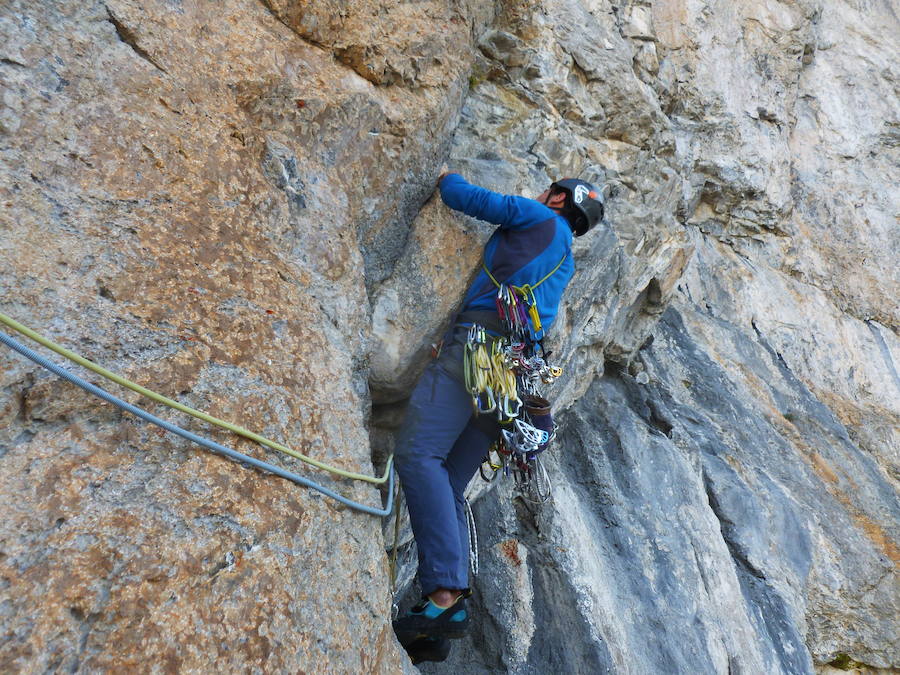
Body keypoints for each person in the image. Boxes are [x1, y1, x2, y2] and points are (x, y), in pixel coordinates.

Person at [391, 170, 604, 660]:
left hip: (477, 351)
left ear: (556, 198)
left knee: (419, 455)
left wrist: (443, 173)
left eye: (545, 191)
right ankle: (440, 611)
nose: (537, 195)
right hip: (510, 381)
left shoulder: (538, 218)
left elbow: (466, 197)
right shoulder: (566, 257)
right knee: (446, 478)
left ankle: (445, 595)